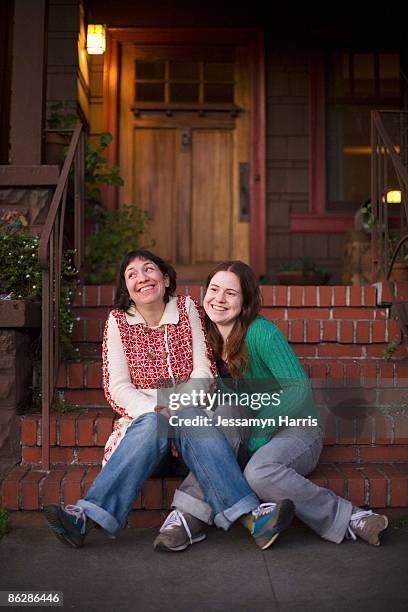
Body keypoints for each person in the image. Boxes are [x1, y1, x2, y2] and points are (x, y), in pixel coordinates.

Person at [44, 251, 295, 551]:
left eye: (149, 269)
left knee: (191, 416)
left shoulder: (187, 308)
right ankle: (85, 516)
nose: (142, 278)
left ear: (164, 279)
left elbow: (205, 372)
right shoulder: (117, 322)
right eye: (132, 275)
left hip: (197, 438)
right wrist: (160, 410)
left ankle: (253, 519)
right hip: (147, 445)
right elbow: (117, 388)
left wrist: (177, 408)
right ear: (126, 289)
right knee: (152, 422)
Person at [155, 260, 389, 551]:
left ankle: (351, 517)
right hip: (244, 425)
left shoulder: (260, 333)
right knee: (224, 414)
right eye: (214, 289)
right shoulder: (206, 337)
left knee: (259, 473)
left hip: (295, 426)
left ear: (246, 300)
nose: (219, 298)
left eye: (231, 293)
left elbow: (297, 389)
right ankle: (187, 518)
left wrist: (260, 433)